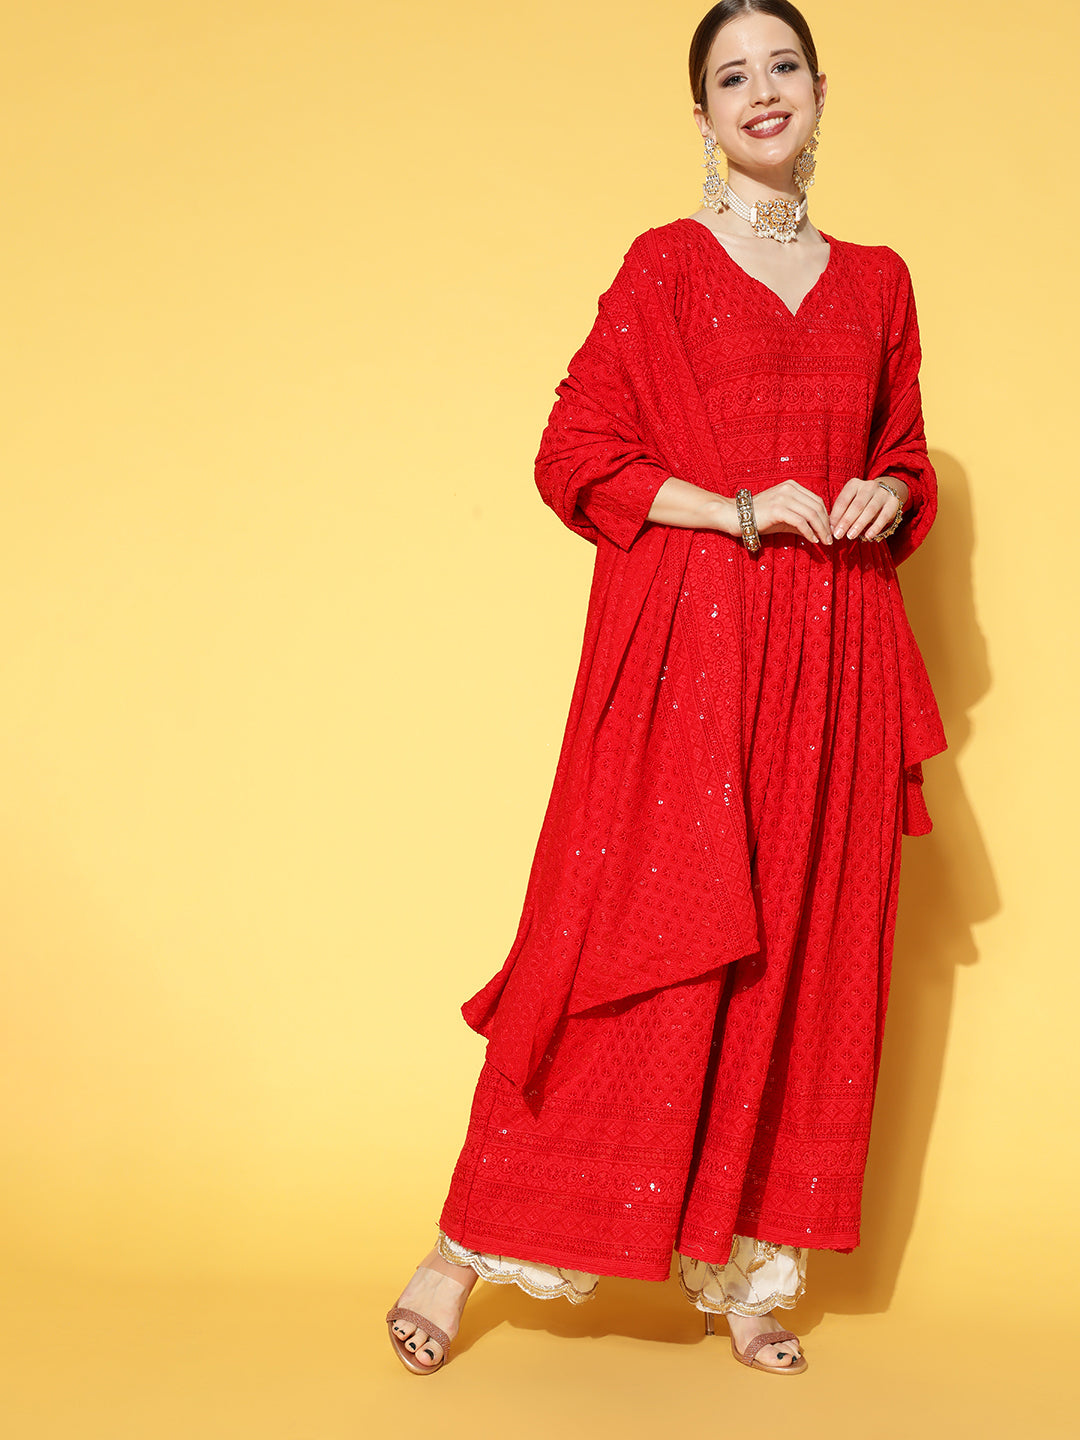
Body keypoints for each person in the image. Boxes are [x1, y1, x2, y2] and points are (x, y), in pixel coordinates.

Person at [386, 0, 945, 1378]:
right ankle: (460, 1250)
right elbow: (574, 455)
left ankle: (747, 1272)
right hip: (697, 657)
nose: (762, 92)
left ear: (821, 89)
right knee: (626, 947)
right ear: (702, 116)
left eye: (781, 67)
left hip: (833, 660)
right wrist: (741, 507)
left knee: (798, 958)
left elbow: (904, 456)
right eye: (731, 77)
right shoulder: (668, 268)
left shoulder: (879, 282)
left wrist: (885, 493)